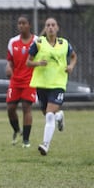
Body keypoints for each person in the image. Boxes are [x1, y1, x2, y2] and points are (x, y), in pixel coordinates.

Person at [26, 17, 77, 156]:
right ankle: (59, 116)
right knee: (48, 114)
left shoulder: (64, 43)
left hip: (58, 84)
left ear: (57, 28)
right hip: (42, 84)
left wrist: (71, 66)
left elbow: (73, 56)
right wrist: (38, 63)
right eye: (48, 25)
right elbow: (28, 62)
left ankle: (45, 145)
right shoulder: (39, 43)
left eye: (53, 25)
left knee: (49, 116)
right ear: (45, 28)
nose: (50, 27)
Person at [5, 15, 38, 148]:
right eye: (19, 23)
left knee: (26, 107)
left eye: (24, 23)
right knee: (10, 108)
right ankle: (16, 130)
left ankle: (26, 139)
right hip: (15, 80)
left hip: (30, 80)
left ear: (29, 25)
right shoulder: (13, 42)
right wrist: (8, 67)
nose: (21, 26)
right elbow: (9, 60)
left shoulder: (37, 41)